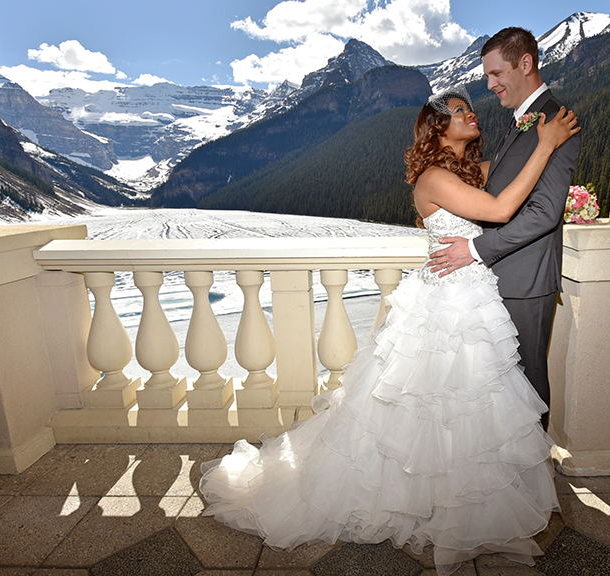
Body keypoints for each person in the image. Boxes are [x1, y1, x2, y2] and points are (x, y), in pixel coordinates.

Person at [199, 86, 579, 575]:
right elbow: (503, 209)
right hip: (447, 302)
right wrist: (545, 143)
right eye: (459, 111)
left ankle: (454, 499)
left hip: (472, 295)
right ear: (438, 129)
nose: (471, 114)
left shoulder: (468, 170)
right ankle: (421, 499)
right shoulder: (435, 176)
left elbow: (515, 176)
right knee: (433, 402)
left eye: (469, 108)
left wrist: (560, 168)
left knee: (464, 402)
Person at [427, 28, 582, 432]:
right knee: (501, 388)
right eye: (487, 76)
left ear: (525, 64)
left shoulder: (555, 121)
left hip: (525, 280)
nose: (490, 84)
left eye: (496, 74)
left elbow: (544, 213)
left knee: (527, 385)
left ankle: (535, 468)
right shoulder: (522, 122)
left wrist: (475, 249)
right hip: (493, 279)